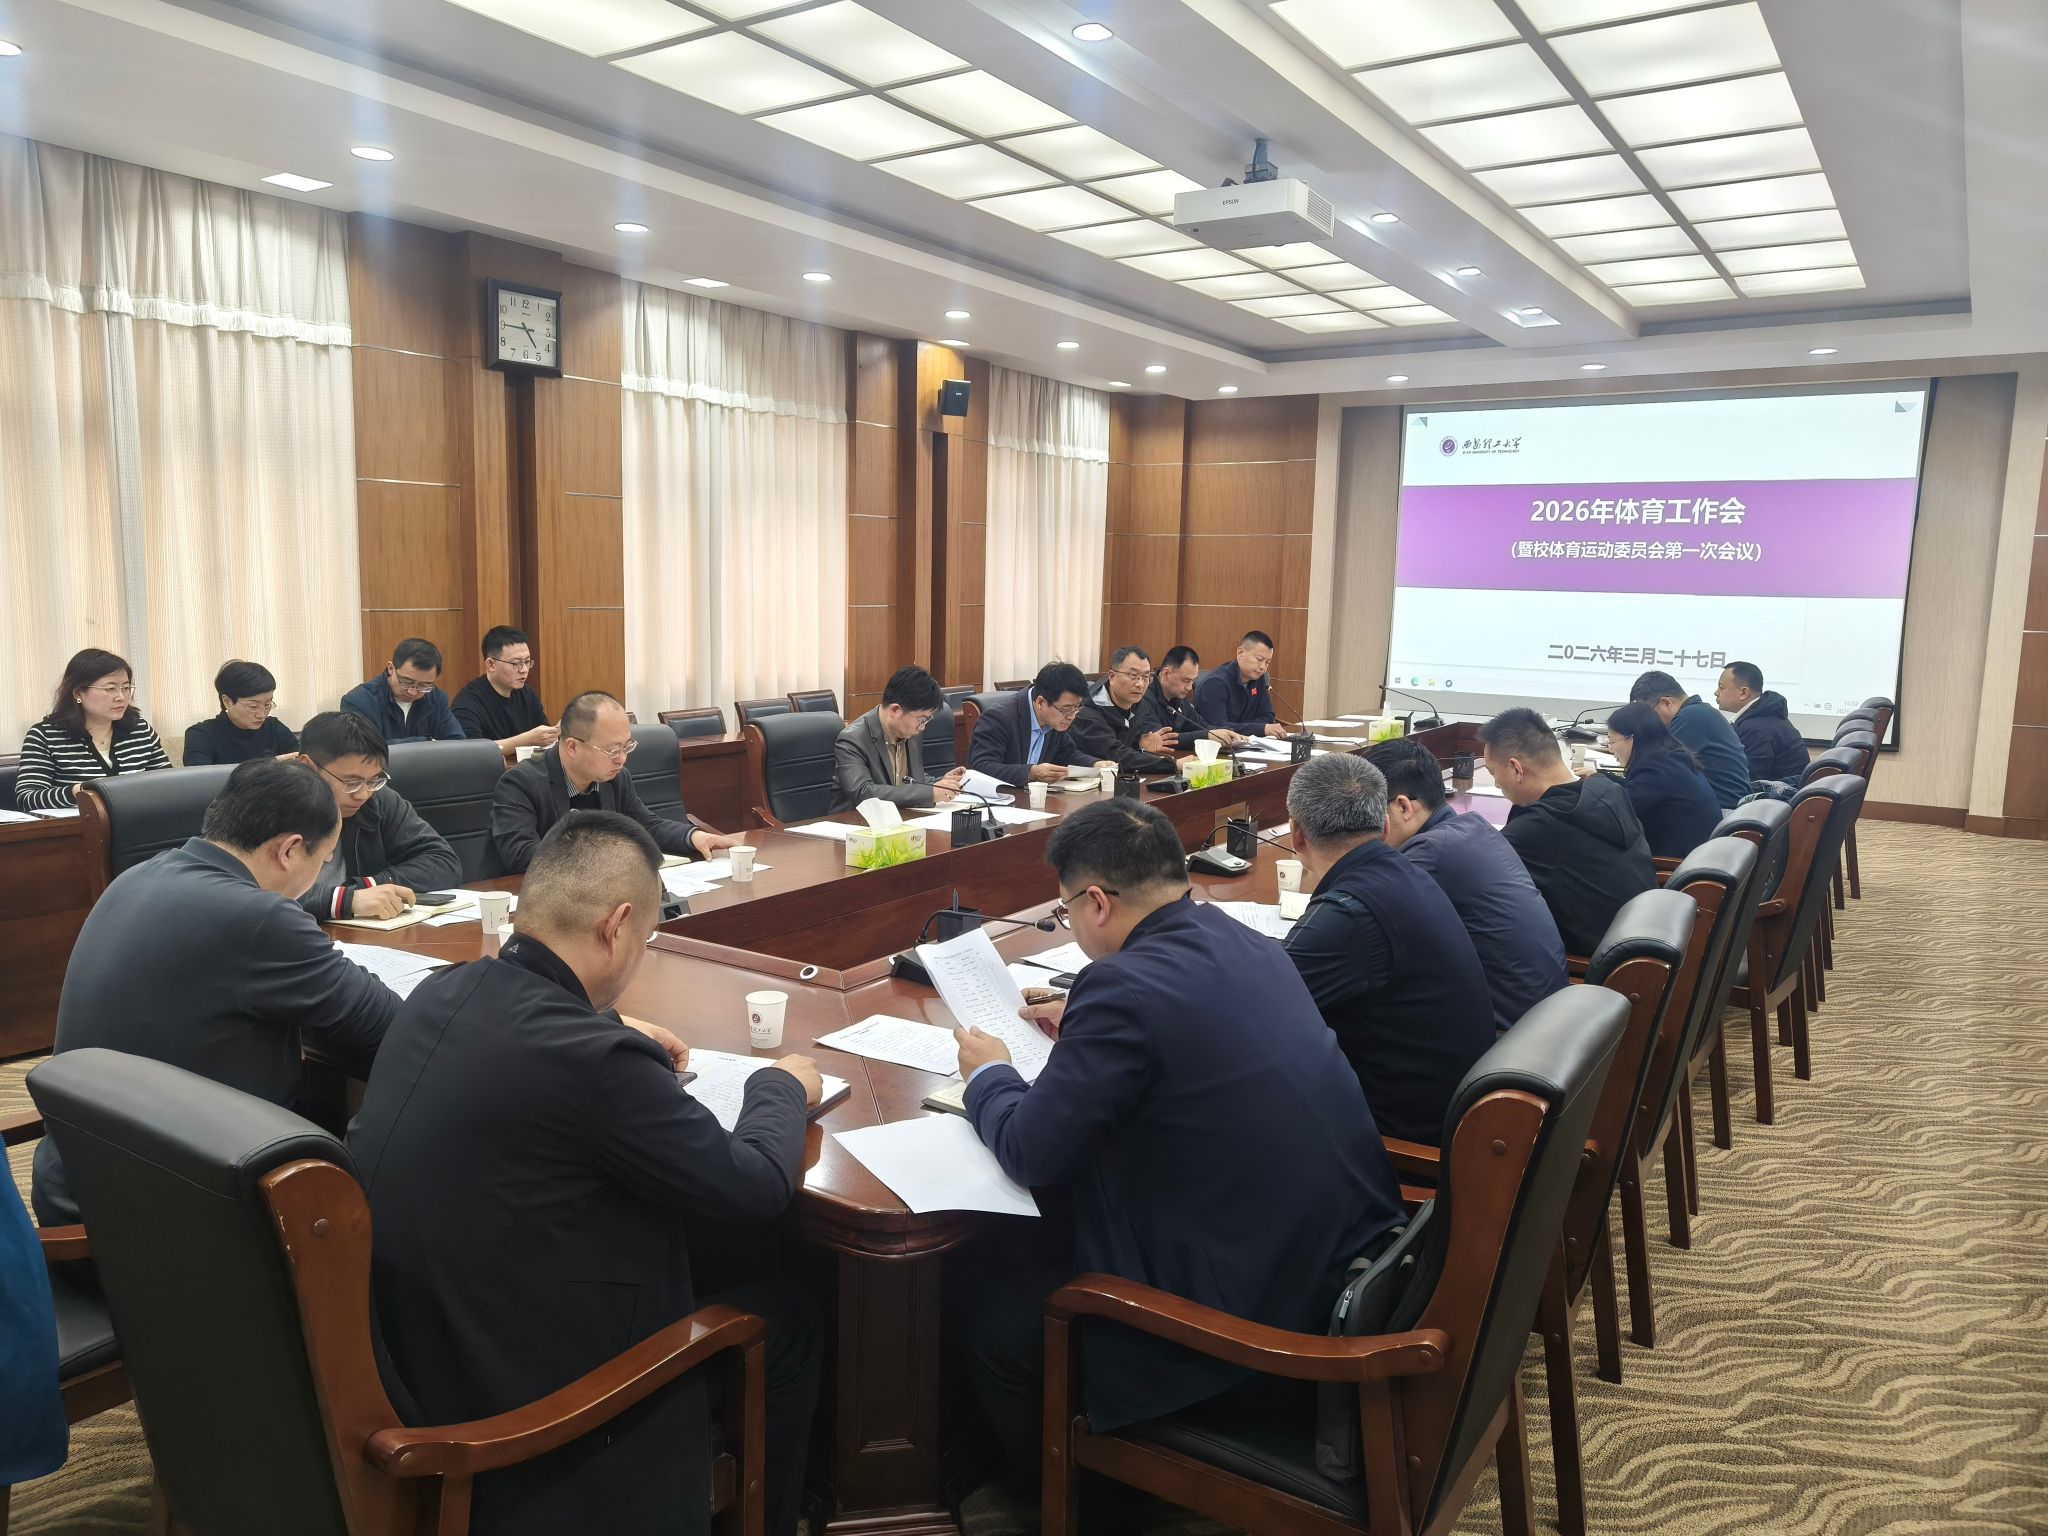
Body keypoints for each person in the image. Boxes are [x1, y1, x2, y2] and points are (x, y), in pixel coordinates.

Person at [347, 811, 823, 1536]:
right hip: (536, 1419)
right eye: (648, 939)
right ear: (618, 926)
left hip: (418, 1362)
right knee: (789, 1311)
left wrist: (610, 1025)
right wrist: (780, 1085)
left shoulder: (440, 993)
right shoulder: (597, 1064)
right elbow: (755, 1186)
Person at [951, 799, 1404, 1480]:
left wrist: (990, 1073)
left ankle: (1088, 1499)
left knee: (995, 1319)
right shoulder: (1246, 941)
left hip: (1249, 1340)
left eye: (1066, 910)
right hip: (1336, 1275)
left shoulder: (1119, 987)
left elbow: (1028, 1152)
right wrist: (1089, 1028)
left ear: (1096, 902)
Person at [31, 758, 396, 1226]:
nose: (319, 876)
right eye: (323, 861)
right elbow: (386, 1025)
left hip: (83, 1180)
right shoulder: (259, 919)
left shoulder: (141, 874)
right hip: (171, 1215)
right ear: (289, 850)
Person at [1281, 754, 1495, 1143]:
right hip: (1455, 1110)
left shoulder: (1350, 914)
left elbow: (1255, 1013)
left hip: (1401, 1139)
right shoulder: (1408, 873)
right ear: (1384, 826)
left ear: (1296, 836)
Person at [1364, 738, 1565, 1034]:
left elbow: (1363, 938)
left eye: (1368, 814)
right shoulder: (1473, 827)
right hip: (1542, 1021)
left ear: (1403, 807)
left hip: (1505, 1038)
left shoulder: (1428, 854)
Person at [491, 691, 746, 873]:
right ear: (572, 747)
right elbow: (521, 855)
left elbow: (646, 825)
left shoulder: (615, 778)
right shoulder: (521, 783)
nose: (621, 759)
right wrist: (600, 857)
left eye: (626, 746)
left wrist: (693, 837)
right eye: (612, 750)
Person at [1479, 707, 1655, 959]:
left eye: (1494, 773)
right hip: (1642, 948)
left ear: (1516, 769)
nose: (1496, 783)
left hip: (1593, 970)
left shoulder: (1535, 830)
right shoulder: (1607, 791)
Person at [295, 711, 463, 921]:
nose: (363, 794)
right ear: (307, 767)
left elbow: (443, 862)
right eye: (351, 782)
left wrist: (369, 886)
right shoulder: (268, 807)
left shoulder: (378, 800)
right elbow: (259, 891)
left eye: (374, 780)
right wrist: (345, 900)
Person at [14, 648, 172, 811]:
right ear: (78, 693)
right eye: (111, 689)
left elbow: (170, 785)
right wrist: (78, 792)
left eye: (126, 688)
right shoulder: (45, 736)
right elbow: (27, 799)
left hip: (140, 822)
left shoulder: (139, 730)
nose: (121, 697)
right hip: (80, 825)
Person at [833, 665, 964, 811]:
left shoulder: (910, 732)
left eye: (927, 720)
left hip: (901, 818)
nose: (922, 727)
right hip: (855, 821)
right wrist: (930, 793)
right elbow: (863, 793)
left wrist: (940, 783)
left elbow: (906, 781)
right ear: (894, 710)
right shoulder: (852, 739)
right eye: (921, 719)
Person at [1605, 703, 1722, 860]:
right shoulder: (1670, 758)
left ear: (1632, 738)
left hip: (1674, 864)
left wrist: (1587, 789)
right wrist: (1601, 777)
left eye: (1612, 741)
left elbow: (1619, 813)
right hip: (1697, 854)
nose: (1610, 749)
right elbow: (1635, 791)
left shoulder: (1654, 769)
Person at [967, 662, 1112, 785]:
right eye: (1066, 709)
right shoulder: (999, 718)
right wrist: (1031, 773)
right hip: (1002, 799)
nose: (1071, 716)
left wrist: (1095, 764)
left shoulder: (1056, 718)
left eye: (1077, 707)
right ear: (1041, 702)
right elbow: (981, 767)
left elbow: (1066, 753)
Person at [1628, 669, 1749, 807]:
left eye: (1648, 715)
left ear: (1666, 703)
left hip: (1723, 810)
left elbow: (1655, 771)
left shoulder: (1690, 717)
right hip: (1722, 807)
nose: (1648, 722)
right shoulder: (1698, 712)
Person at [451, 626, 560, 755]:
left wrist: (553, 734)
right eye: (516, 663)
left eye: (527, 662)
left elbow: (543, 738)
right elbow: (472, 752)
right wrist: (527, 740)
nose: (524, 669)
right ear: (491, 665)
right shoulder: (467, 703)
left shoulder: (527, 694)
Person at [1070, 646, 1177, 776]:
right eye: (1133, 676)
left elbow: (1129, 743)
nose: (1140, 684)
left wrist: (1140, 745)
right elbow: (1116, 755)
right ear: (1112, 676)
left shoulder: (1139, 704)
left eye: (1146, 677)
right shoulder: (1087, 710)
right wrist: (1173, 764)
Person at [341, 638, 465, 743]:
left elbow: (457, 744)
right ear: (391, 669)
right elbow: (364, 751)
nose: (413, 692)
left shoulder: (436, 698)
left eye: (424, 685)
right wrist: (428, 742)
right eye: (407, 682)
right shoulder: (359, 701)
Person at [182, 659, 299, 764]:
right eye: (253, 706)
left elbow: (302, 763)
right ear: (227, 701)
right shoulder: (201, 735)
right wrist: (269, 765)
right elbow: (199, 778)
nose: (262, 714)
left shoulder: (273, 728)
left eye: (267, 704)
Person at [1130, 645, 1247, 750]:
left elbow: (1201, 726)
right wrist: (1208, 735)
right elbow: (1160, 740)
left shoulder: (1179, 698)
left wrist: (1227, 733)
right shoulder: (1143, 698)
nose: (1189, 688)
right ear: (1166, 673)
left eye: (1193, 681)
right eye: (1186, 680)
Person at [1716, 661, 1810, 783]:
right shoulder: (1761, 716)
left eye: (1721, 688)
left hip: (1783, 793)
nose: (1716, 693)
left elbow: (1747, 781)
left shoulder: (1757, 728)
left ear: (1743, 693)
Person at [1192, 631, 1290, 738]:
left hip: (1248, 742)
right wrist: (1259, 728)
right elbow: (1218, 727)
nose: (1263, 667)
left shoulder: (1259, 678)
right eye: (1259, 659)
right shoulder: (1214, 684)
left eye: (1267, 662)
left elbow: (1268, 717)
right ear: (1240, 653)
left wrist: (1246, 727)